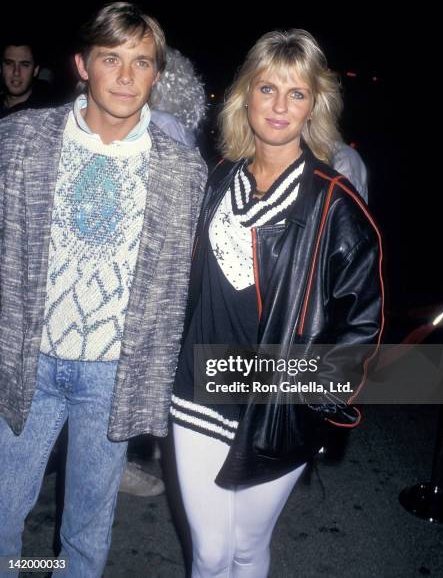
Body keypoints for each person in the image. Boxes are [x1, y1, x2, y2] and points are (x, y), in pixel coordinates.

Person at [0, 2, 207, 576]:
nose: (124, 75)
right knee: (2, 516)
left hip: (111, 374)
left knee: (87, 532)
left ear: (156, 75)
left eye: (140, 62)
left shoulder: (180, 170)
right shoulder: (19, 141)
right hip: (26, 361)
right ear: (82, 64)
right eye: (110, 58)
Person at [170, 29, 384, 577]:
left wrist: (310, 404)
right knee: (211, 550)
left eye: (296, 93)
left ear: (316, 104)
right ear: (246, 96)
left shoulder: (335, 204)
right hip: (201, 385)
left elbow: (360, 325)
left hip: (277, 406)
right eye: (267, 89)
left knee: (245, 544)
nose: (279, 106)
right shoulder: (220, 178)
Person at [119, 45, 207, 497]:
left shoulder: (130, 123)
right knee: (149, 361)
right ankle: (138, 449)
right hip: (158, 264)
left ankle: (135, 447)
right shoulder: (172, 127)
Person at [0, 40, 51, 117]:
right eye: (9, 63)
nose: (16, 72)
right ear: (0, 68)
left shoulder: (49, 113)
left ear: (35, 70)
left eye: (24, 65)